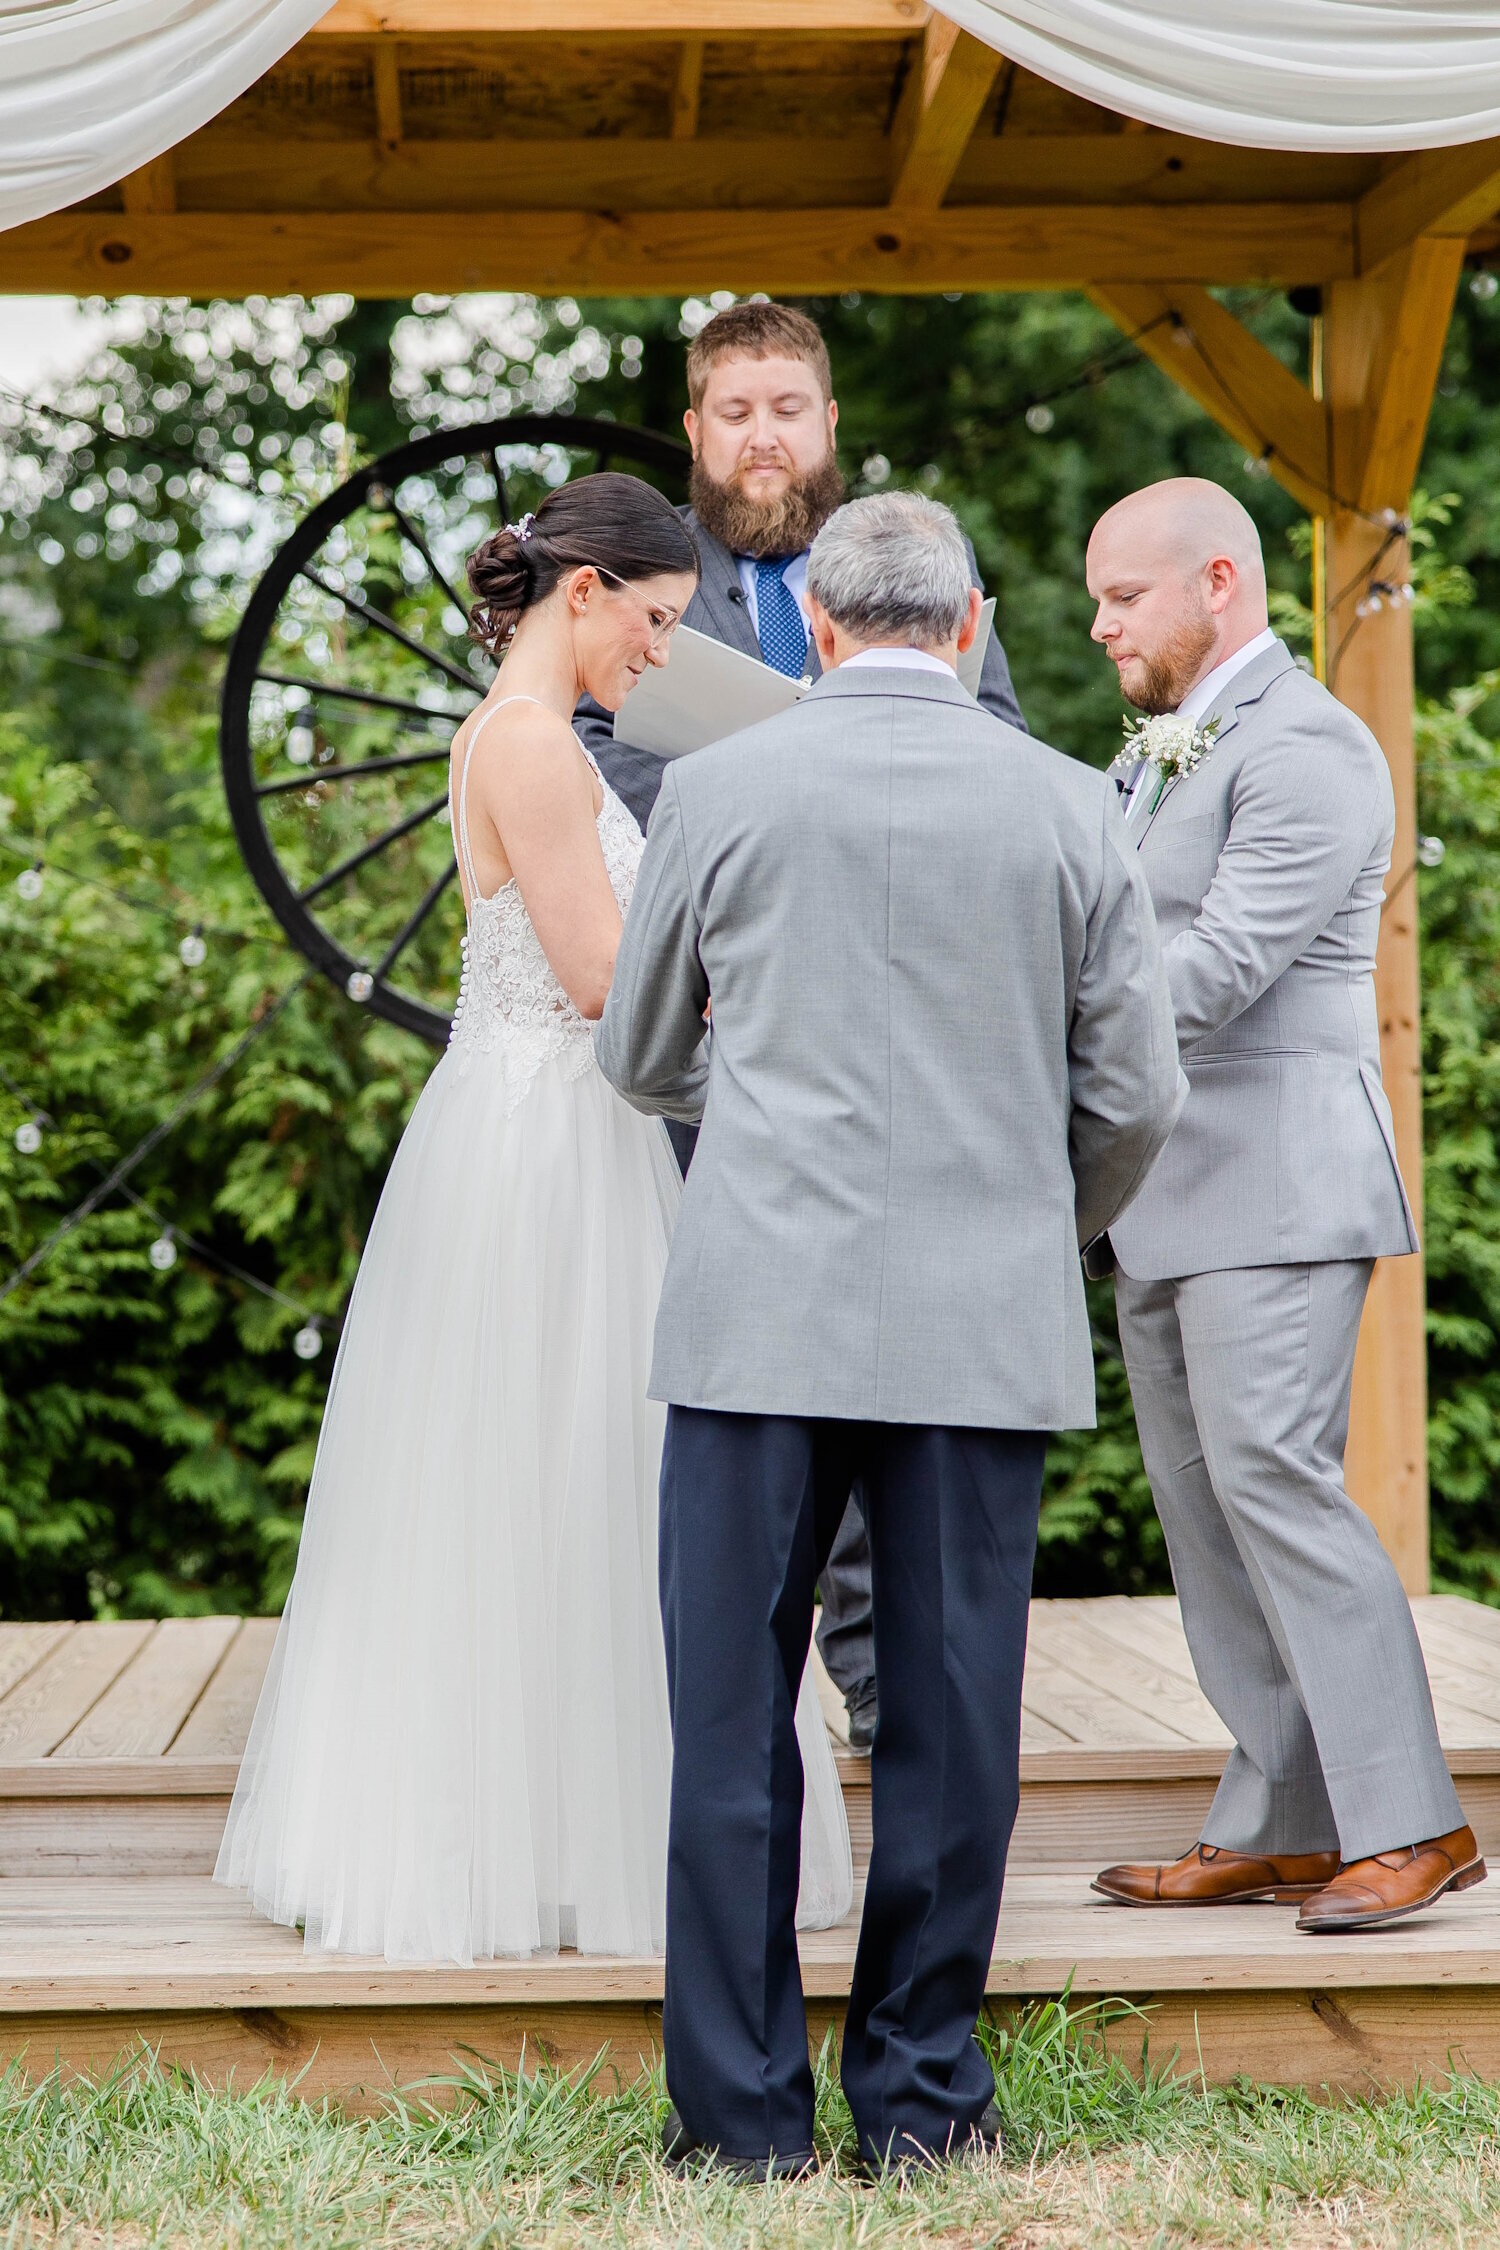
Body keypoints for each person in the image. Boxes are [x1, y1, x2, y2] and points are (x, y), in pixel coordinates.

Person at [597, 491, 1183, 2175]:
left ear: (822, 628)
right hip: (978, 1327)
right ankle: (923, 2100)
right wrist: (1033, 1216)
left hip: (753, 1316)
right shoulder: (1071, 804)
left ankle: (739, 2126)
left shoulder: (717, 787)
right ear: (974, 624)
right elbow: (1138, 1094)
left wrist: (755, 1111)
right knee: (950, 1725)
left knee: (731, 1725)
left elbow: (639, 1053)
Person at [215, 473, 852, 1965]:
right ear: (586, 593)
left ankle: (576, 1829)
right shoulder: (532, 747)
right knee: (560, 1466)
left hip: (556, 1129)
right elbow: (602, 982)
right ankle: (551, 1845)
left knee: (579, 1473)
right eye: (655, 621)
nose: (660, 652)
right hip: (551, 1146)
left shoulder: (520, 731)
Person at [587, 299, 1027, 1757]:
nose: (762, 437)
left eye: (787, 409)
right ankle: (749, 1704)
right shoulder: (650, 579)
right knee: (760, 1384)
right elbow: (598, 749)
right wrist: (756, 832)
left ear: (828, 422)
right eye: (735, 413)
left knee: (899, 1367)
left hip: (908, 1037)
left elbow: (998, 752)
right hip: (731, 1023)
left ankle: (890, 1693)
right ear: (695, 430)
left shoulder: (917, 563)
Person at [1084, 476, 1480, 1933]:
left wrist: (1035, 1047)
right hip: (1161, 1191)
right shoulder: (1149, 757)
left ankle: (1414, 1822)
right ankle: (1285, 1821)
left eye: (1125, 595)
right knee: (1205, 1513)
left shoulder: (1309, 744)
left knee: (1278, 1487)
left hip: (1274, 1186)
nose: (1102, 624)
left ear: (1220, 582)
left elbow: (1218, 969)